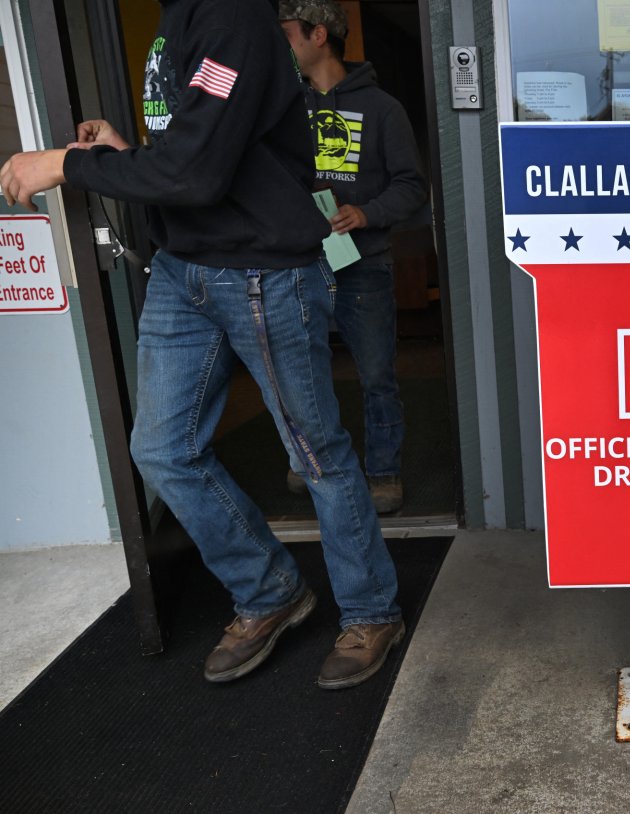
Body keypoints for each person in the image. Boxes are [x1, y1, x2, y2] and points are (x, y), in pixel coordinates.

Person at [0, 0, 405, 690]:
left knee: (316, 455)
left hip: (263, 275)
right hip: (184, 269)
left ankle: (372, 612)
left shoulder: (235, 20)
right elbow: (203, 149)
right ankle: (271, 590)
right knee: (162, 450)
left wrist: (69, 163)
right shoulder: (177, 22)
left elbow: (196, 174)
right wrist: (125, 156)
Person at [278, 0, 427, 515]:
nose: (282, 47)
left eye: (289, 35)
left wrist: (366, 213)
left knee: (376, 375)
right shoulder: (282, 107)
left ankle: (383, 472)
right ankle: (309, 463)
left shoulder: (382, 108)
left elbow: (413, 186)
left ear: (319, 36)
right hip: (296, 262)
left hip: (363, 262)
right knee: (300, 372)